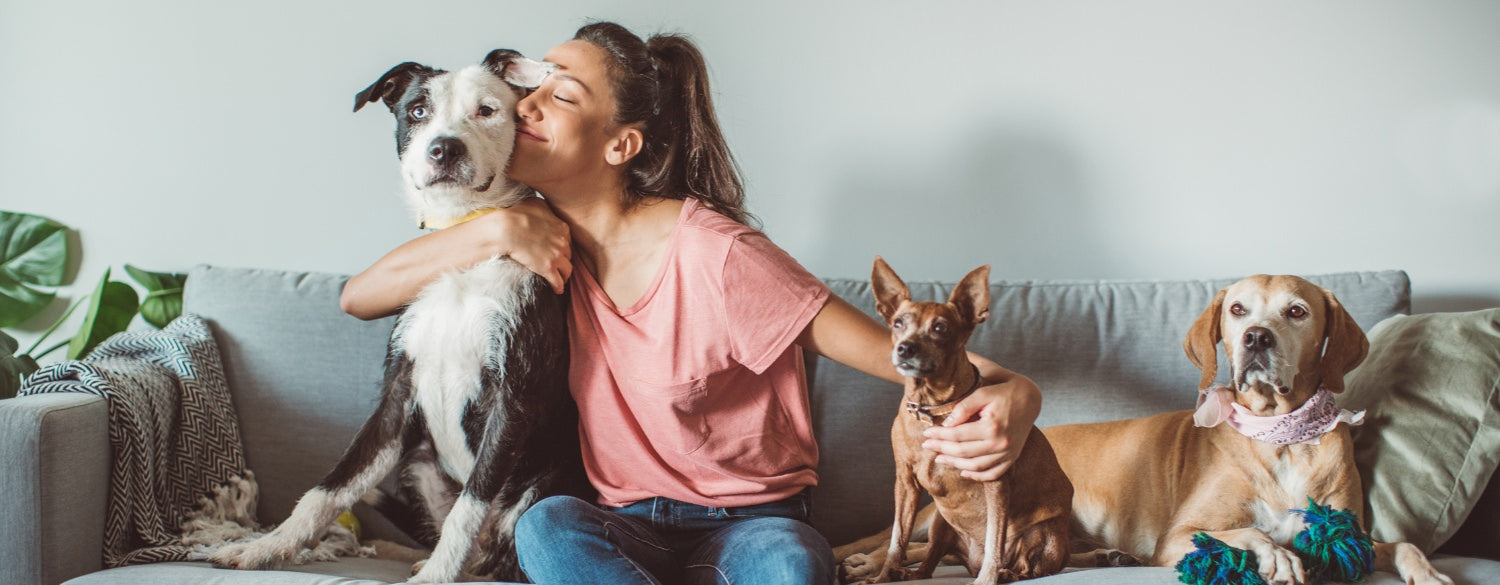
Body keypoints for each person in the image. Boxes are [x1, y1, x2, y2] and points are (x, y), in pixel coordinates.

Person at [339, 21, 1042, 585]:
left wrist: (1023, 393)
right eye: (532, 87)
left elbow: (910, 360)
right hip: (620, 523)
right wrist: (493, 226)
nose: (526, 103)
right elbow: (359, 296)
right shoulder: (530, 238)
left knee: (792, 567)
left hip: (752, 522)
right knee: (544, 528)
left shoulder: (719, 255)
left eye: (560, 93)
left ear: (621, 144)